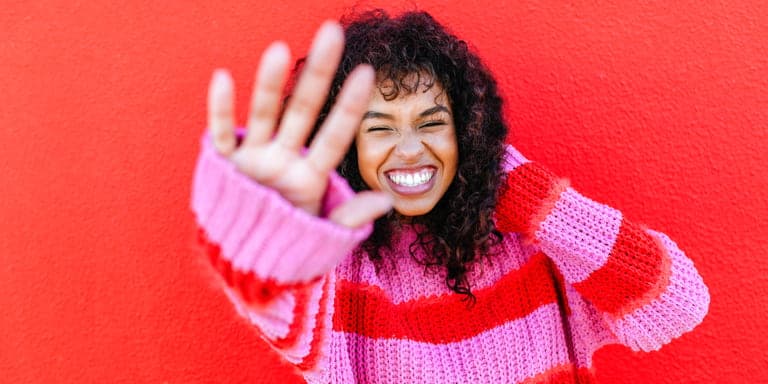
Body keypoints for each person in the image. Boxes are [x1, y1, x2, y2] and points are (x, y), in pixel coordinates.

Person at [192, 10, 710, 384]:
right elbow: (277, 296)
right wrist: (271, 231)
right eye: (381, 130)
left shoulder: (530, 250)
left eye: (432, 123)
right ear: (349, 146)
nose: (411, 150)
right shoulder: (340, 274)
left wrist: (509, 182)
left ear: (467, 131)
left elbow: (676, 305)